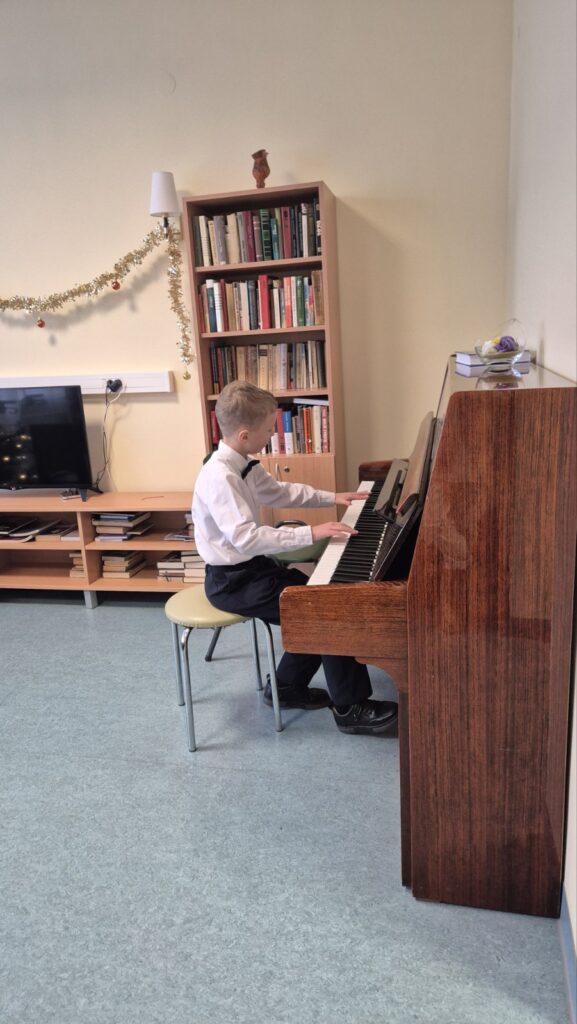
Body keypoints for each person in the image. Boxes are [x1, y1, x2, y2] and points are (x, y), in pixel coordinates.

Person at [191, 381, 398, 736]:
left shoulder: (241, 462)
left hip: (252, 570)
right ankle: (350, 708)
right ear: (244, 435)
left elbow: (279, 492)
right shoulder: (220, 477)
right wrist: (312, 533)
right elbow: (246, 538)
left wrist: (333, 497)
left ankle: (286, 687)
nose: (272, 435)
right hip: (232, 582)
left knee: (314, 599)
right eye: (268, 429)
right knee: (321, 611)